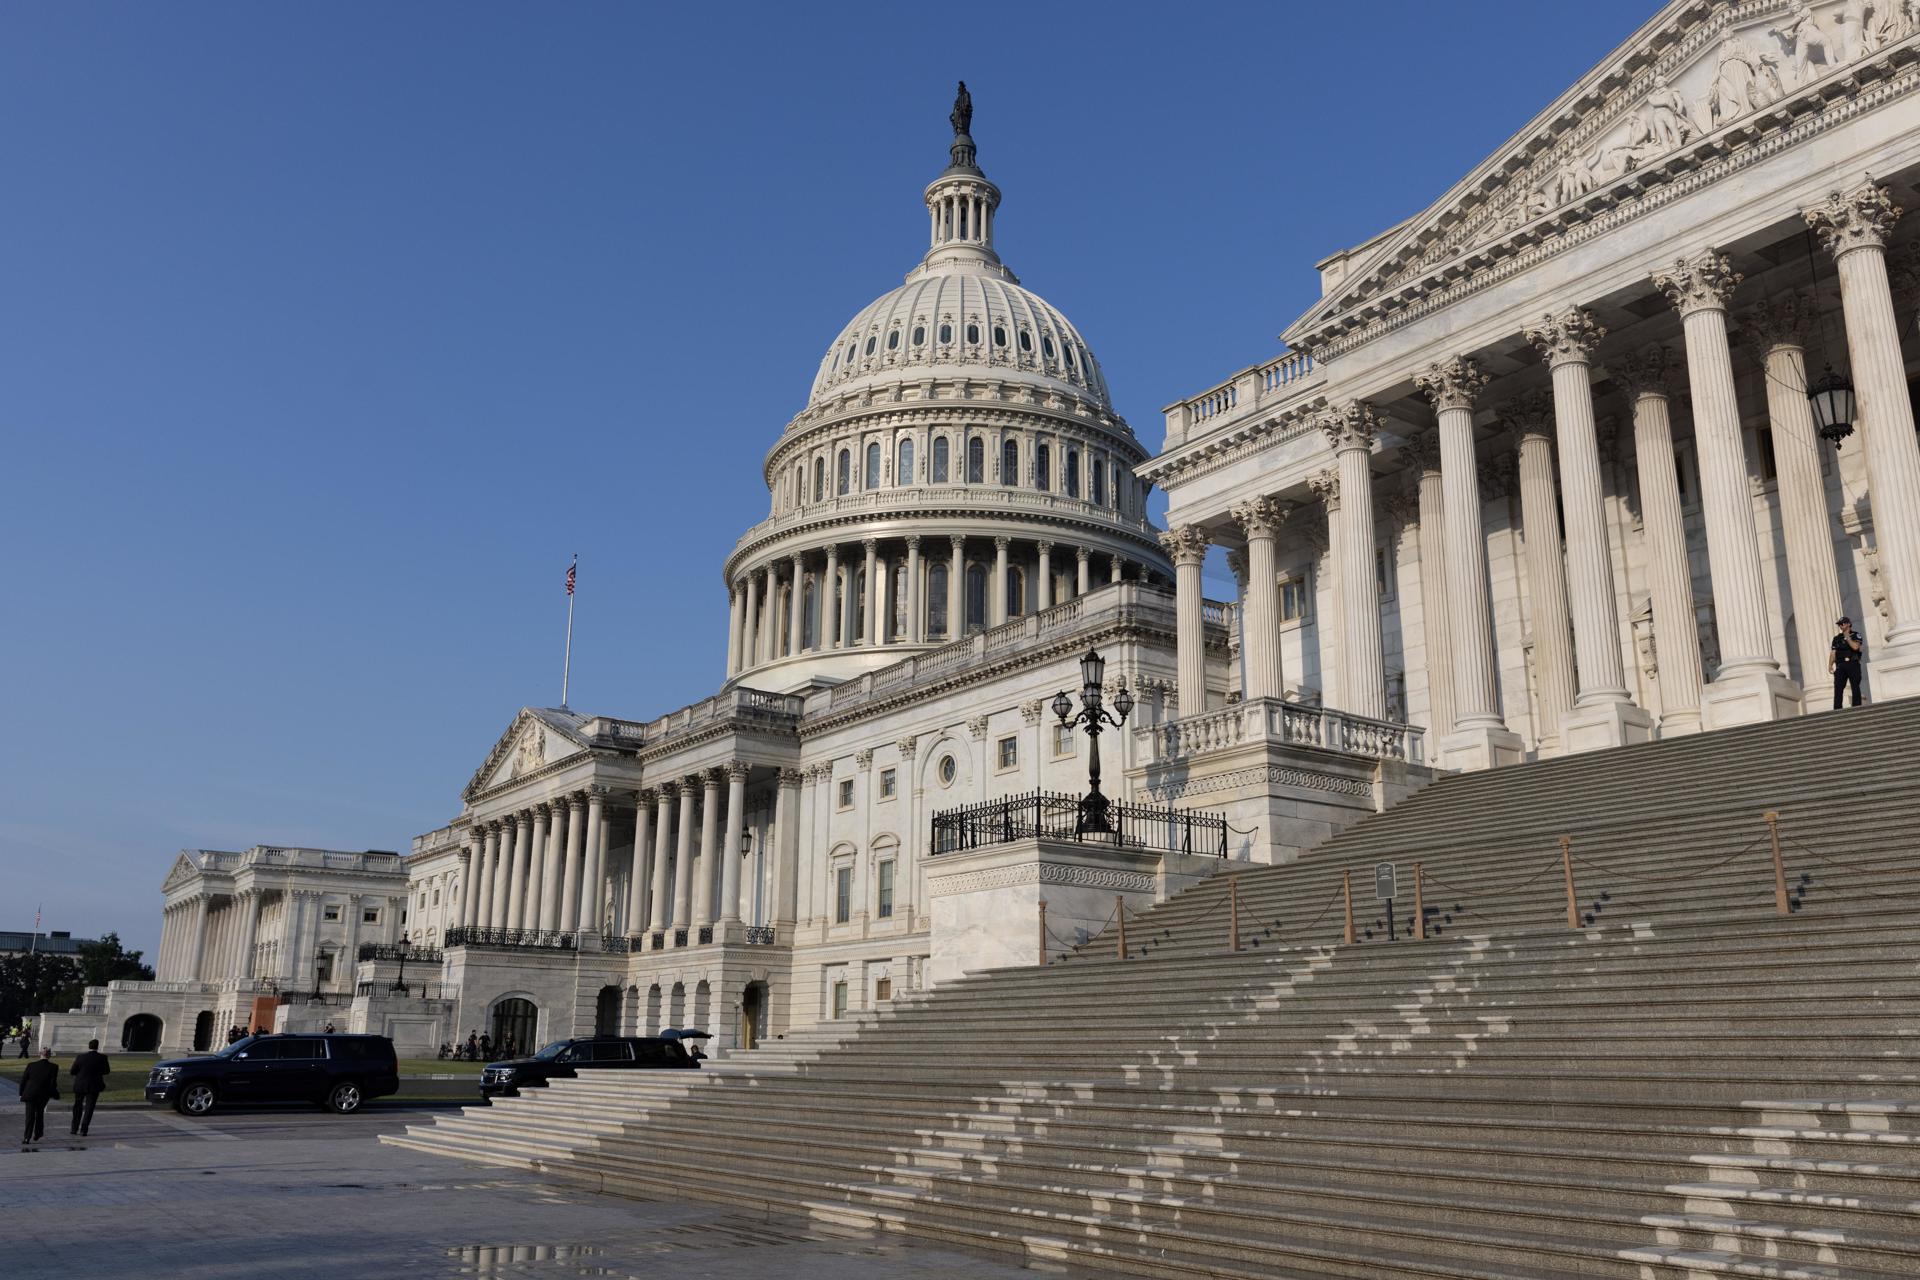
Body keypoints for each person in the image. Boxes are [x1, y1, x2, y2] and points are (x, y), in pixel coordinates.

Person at [69, 1039, 110, 1137]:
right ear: (97, 1046)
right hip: (94, 1085)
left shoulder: (81, 1057)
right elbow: (106, 1071)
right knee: (89, 1108)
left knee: (77, 1106)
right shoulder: (103, 1057)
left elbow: (72, 1071)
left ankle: (74, 1128)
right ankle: (84, 1129)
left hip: (80, 1084)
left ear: (89, 1046)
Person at [18, 1048, 59, 1147]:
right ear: (49, 1055)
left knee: (29, 1116)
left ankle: (27, 1137)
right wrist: (54, 1093)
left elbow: (23, 1080)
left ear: (39, 1054)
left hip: (30, 1093)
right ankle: (38, 1133)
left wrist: (21, 1093)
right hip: (43, 1094)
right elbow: (52, 1083)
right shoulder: (54, 1067)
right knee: (39, 1113)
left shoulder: (31, 1065)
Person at [1831, 615, 1865, 708]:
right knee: (1838, 687)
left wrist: (1848, 637)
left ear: (1849, 624)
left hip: (1852, 663)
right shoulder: (1837, 638)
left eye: (1843, 623)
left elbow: (1855, 647)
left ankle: (1856, 706)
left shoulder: (1855, 635)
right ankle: (1837, 708)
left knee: (1855, 685)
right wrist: (1830, 665)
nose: (1841, 626)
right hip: (1840, 665)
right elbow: (1833, 652)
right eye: (1839, 624)